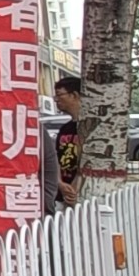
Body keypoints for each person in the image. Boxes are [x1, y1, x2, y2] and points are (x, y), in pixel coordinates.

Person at [51, 75, 85, 208]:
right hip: (62, 192)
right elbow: (57, 157)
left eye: (60, 95)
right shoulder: (65, 128)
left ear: (74, 95)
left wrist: (76, 184)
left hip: (81, 194)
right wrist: (59, 183)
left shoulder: (88, 128)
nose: (56, 100)